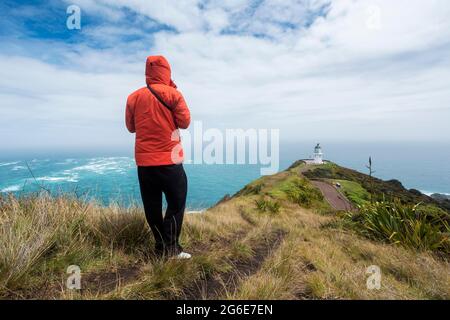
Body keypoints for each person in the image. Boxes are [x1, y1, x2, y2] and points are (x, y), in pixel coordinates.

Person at [125, 55, 191, 259]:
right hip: (170, 162)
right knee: (176, 203)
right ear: (167, 72)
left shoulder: (133, 97)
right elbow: (185, 122)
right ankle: (171, 249)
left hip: (144, 164)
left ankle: (160, 246)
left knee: (152, 207)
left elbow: (131, 127)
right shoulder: (173, 94)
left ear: (148, 72)